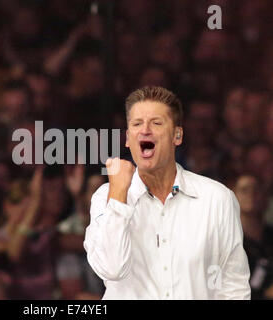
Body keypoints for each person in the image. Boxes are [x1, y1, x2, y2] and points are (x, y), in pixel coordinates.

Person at [84, 86, 251, 300]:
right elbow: (112, 269)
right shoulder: (105, 198)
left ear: (177, 135)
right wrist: (118, 195)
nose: (145, 130)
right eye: (137, 124)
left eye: (156, 123)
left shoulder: (217, 198)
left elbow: (234, 285)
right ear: (127, 138)